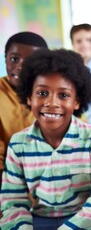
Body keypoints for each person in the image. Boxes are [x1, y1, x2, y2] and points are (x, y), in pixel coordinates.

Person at [0, 49, 91, 229]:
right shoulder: (18, 143)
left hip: (83, 218)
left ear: (77, 101)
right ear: (29, 97)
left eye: (63, 95)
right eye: (42, 93)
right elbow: (13, 201)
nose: (52, 103)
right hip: (38, 219)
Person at [0, 32, 48, 186]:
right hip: (10, 182)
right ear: (5, 59)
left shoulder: (56, 89)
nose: (20, 67)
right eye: (14, 59)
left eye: (31, 62)